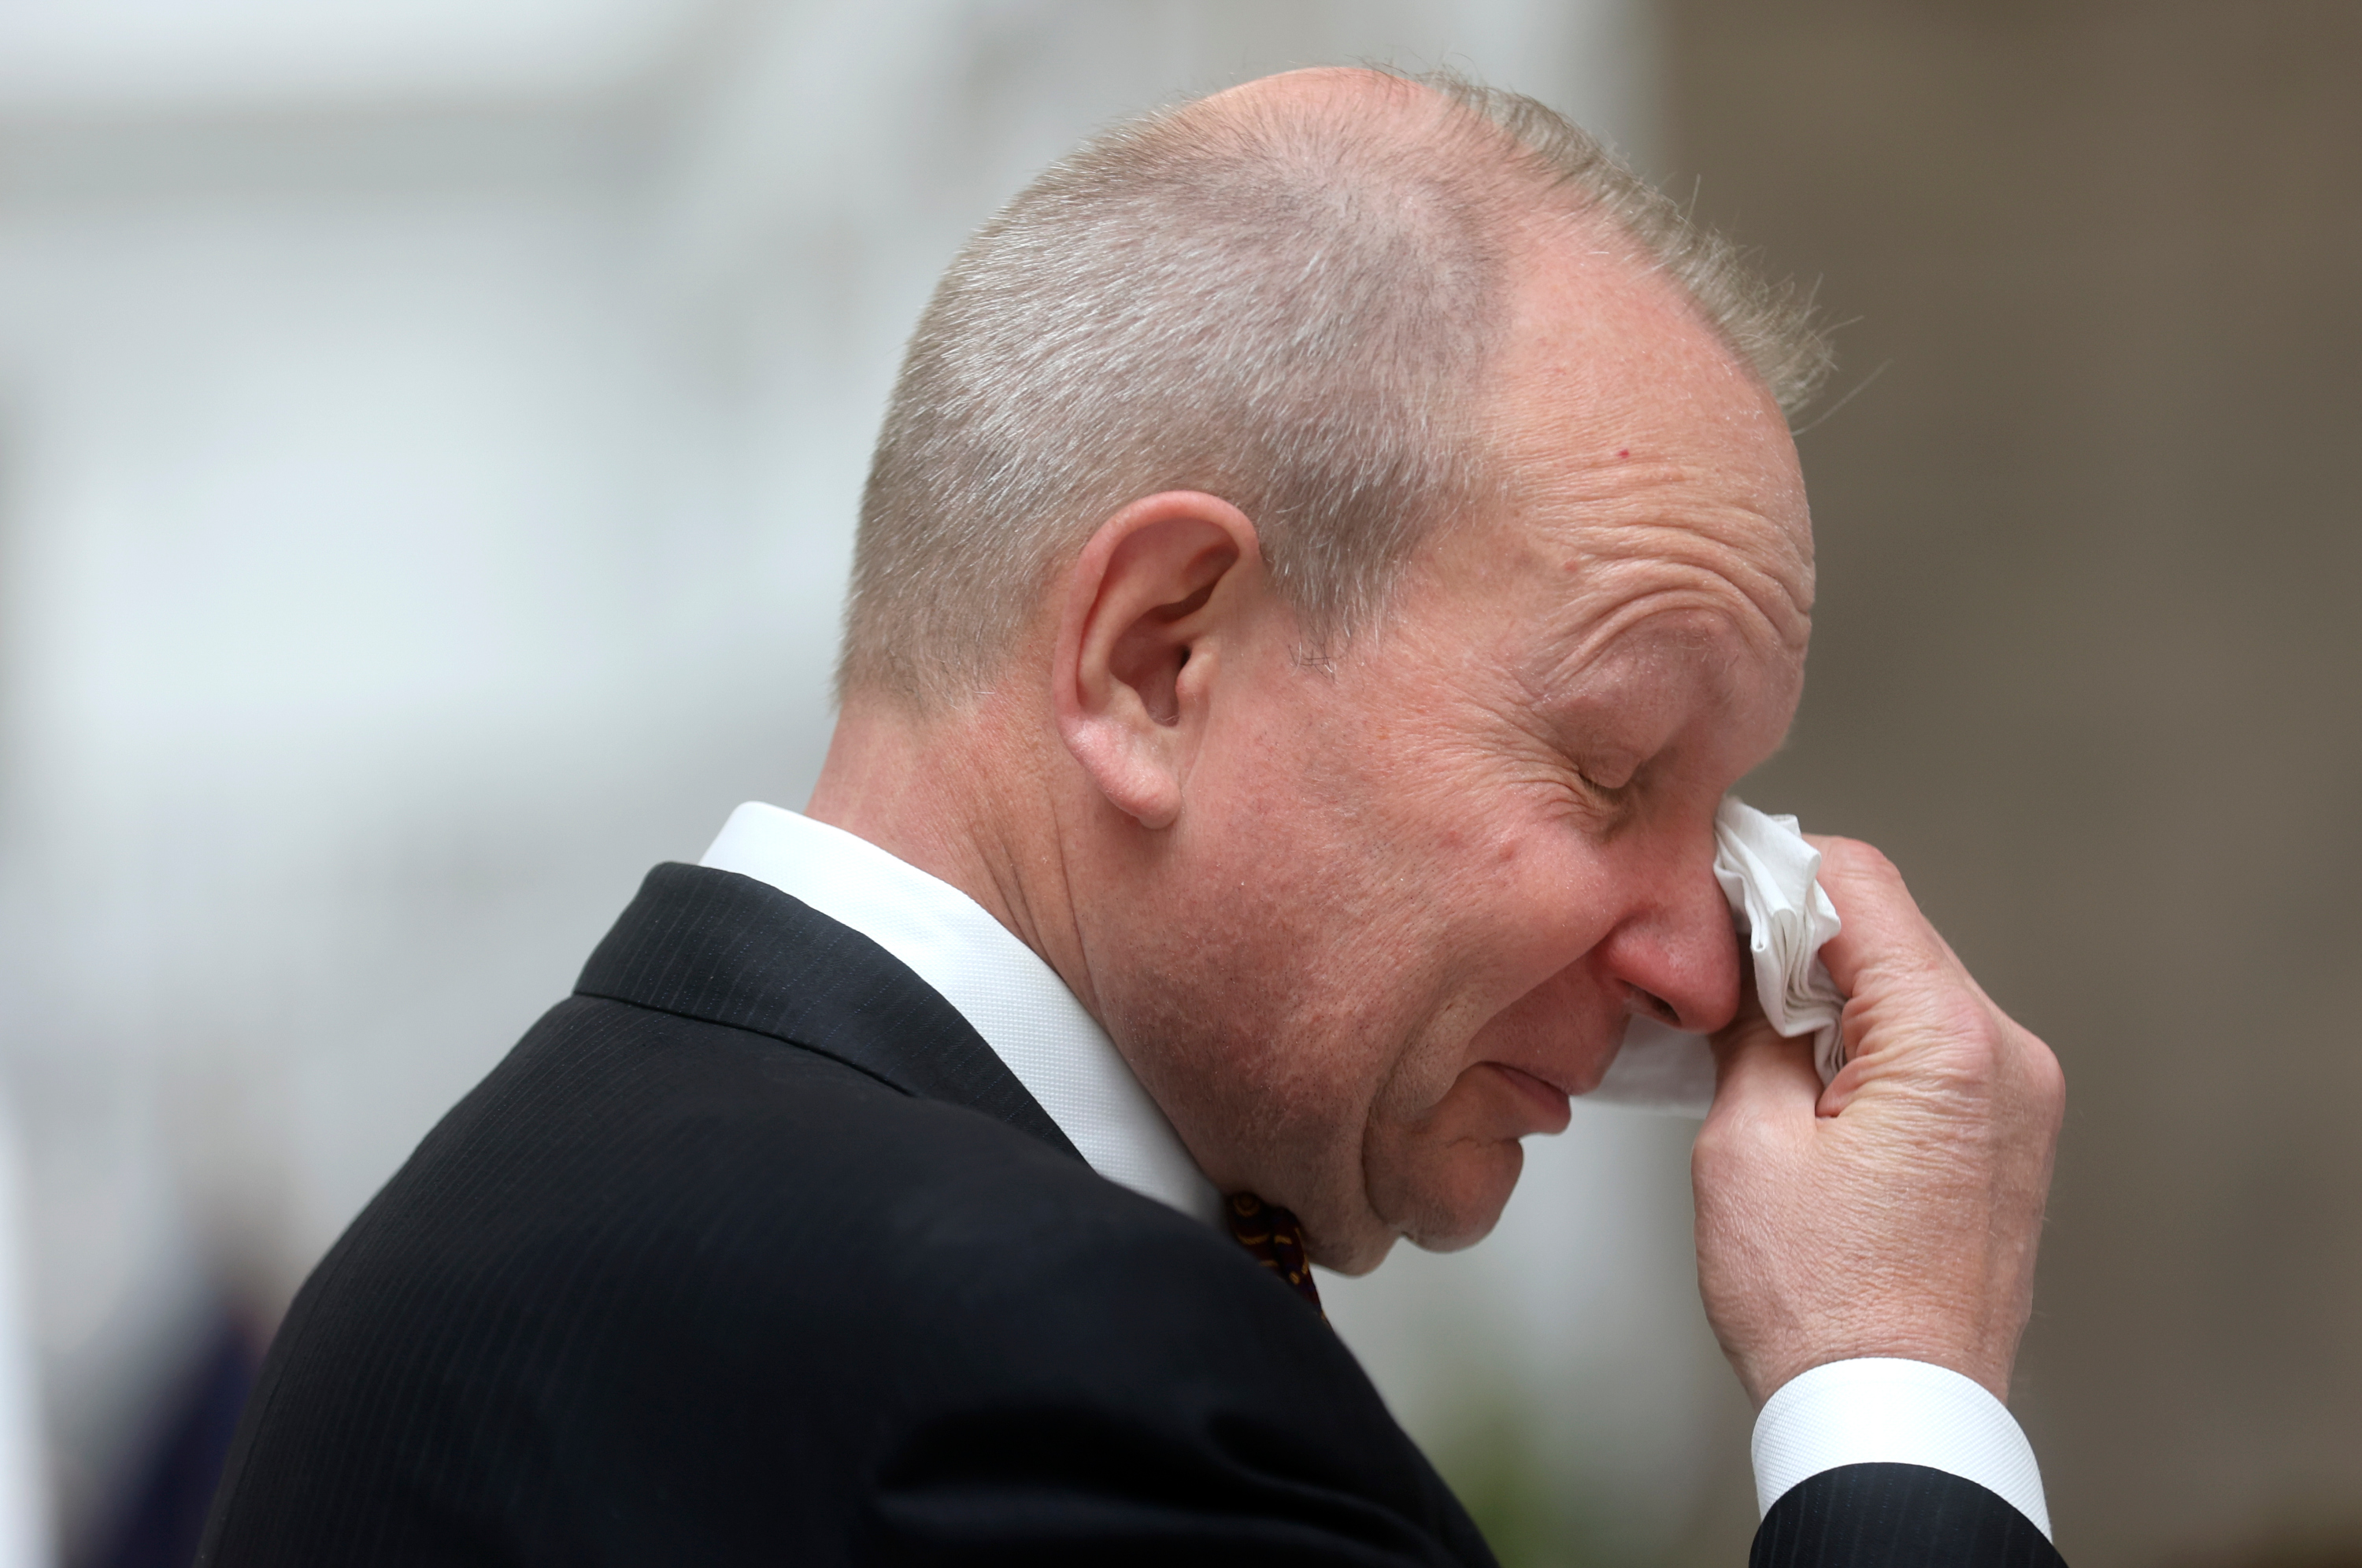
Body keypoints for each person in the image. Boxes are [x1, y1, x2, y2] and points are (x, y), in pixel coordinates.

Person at [198, 68, 2067, 1566]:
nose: (1695, 960)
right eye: (1608, 766)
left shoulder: (509, 1213)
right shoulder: (1047, 1372)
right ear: (1159, 659)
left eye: (1722, 815)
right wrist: (1893, 1397)